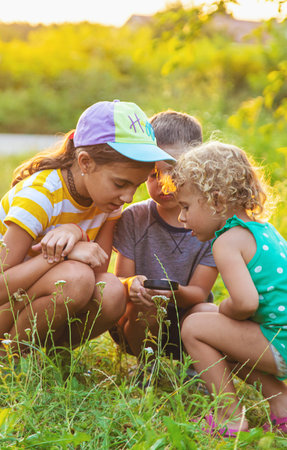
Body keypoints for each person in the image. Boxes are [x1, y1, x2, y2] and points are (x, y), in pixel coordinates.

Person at [0, 100, 175, 355]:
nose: (128, 197)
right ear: (85, 162)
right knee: (75, 278)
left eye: (135, 186)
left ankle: (49, 357)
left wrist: (77, 235)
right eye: (120, 183)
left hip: (30, 303)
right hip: (7, 303)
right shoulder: (39, 197)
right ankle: (10, 360)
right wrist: (64, 254)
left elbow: (98, 272)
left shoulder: (107, 203)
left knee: (111, 290)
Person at [170, 141, 287, 436]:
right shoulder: (262, 230)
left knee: (194, 327)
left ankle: (229, 417)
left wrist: (226, 308)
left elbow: (245, 303)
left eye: (185, 207)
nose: (181, 218)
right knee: (207, 315)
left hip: (280, 343)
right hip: (279, 335)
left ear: (217, 202)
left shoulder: (226, 241)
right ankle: (281, 403)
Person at [112, 110, 218, 360]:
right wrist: (132, 285)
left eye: (174, 170)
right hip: (136, 321)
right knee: (147, 308)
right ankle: (144, 367)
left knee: (208, 310)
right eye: (152, 174)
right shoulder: (134, 218)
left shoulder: (211, 224)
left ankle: (196, 370)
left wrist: (172, 293)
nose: (163, 183)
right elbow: (121, 280)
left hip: (185, 319)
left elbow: (199, 293)